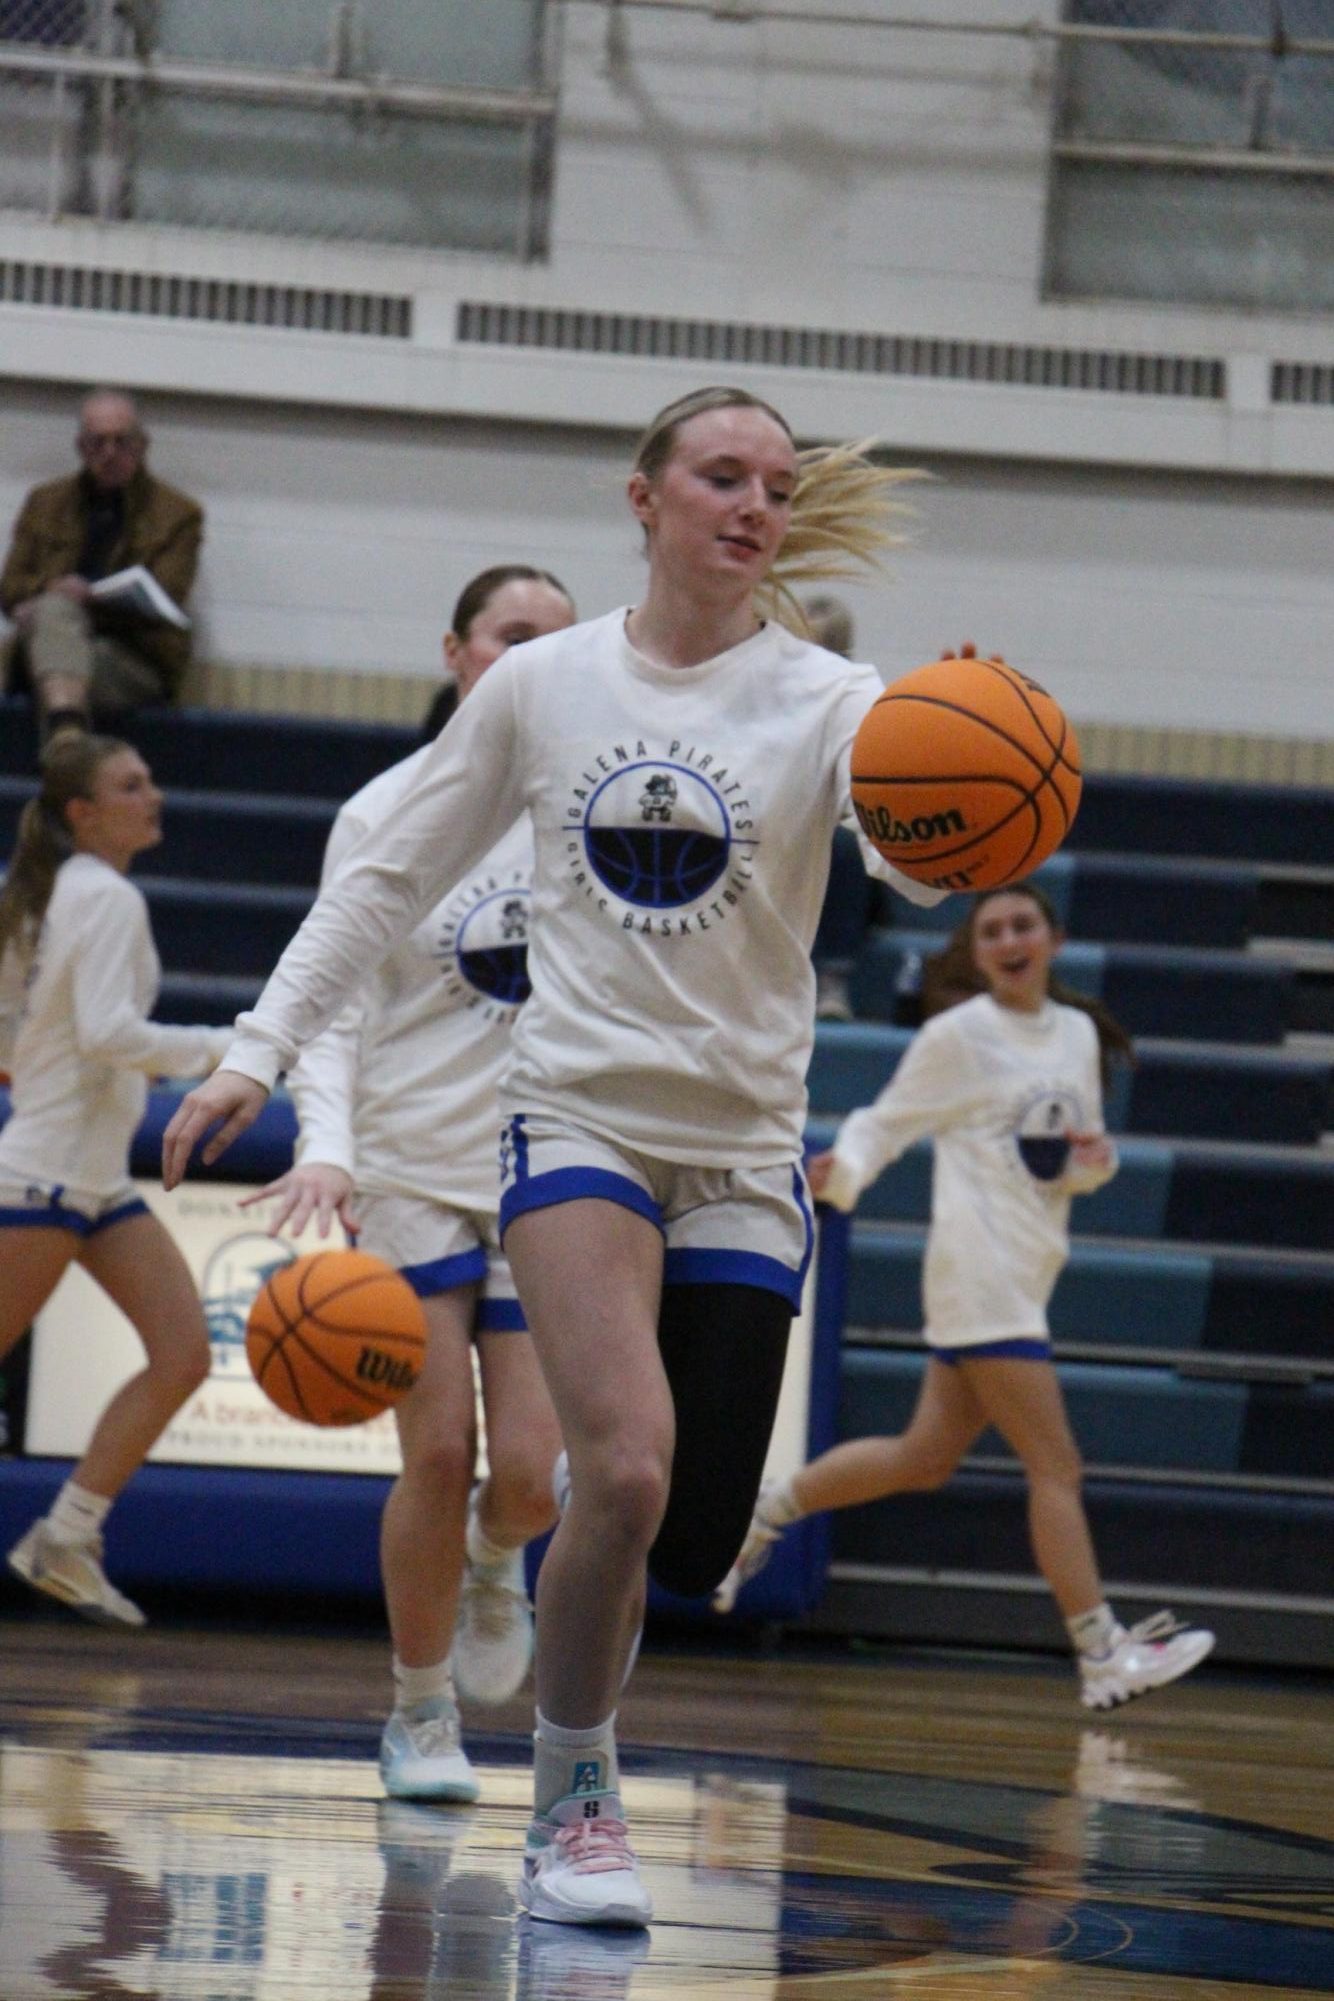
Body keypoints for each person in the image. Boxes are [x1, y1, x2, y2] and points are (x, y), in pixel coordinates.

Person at [160, 384, 940, 1929]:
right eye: (721, 475)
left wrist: (962, 783)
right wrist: (256, 1047)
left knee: (684, 1525)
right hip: (574, 1119)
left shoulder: (836, 696)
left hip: (741, 1144)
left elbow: (910, 867)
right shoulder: (541, 688)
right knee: (629, 1460)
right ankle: (574, 1796)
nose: (754, 505)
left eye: (777, 487)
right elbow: (381, 881)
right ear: (640, 496)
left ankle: (565, 1578)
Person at [713, 880, 1216, 1712]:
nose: (1010, 938)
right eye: (992, 929)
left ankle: (767, 1510)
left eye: (1023, 924)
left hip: (1028, 1268)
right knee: (1056, 1464)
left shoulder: (1079, 1034)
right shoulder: (958, 1036)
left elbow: (1071, 1165)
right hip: (978, 1275)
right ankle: (1101, 1650)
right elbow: (888, 1118)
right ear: (976, 952)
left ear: (1051, 940)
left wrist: (1099, 1159)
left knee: (923, 1457)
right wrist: (844, 1176)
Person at [251, 564, 575, 1805]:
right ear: (456, 652)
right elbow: (328, 1002)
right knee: (434, 1454)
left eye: (557, 640)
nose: (533, 658)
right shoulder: (387, 808)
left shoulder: (586, 805)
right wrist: (323, 1143)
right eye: (510, 636)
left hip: (548, 1166)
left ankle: (498, 1559)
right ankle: (419, 1711)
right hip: (409, 1168)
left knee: (530, 1475)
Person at [0, 733, 230, 1625]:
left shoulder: (52, 894)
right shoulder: (103, 896)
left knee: (184, 1354)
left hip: (93, 1184)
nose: (154, 795)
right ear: (82, 814)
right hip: (46, 1182)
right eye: (131, 786)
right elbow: (106, 1030)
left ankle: (66, 1535)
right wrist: (224, 1048)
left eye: (151, 779)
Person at [0, 389, 203, 740]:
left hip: (132, 657)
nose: (109, 454)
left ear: (142, 445)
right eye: (97, 443)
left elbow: (166, 597)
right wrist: (53, 592)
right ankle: (68, 737)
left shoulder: (178, 514)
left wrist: (83, 601)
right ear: (81, 447)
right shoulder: (45, 502)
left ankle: (65, 739)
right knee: (56, 609)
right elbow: (9, 588)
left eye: (121, 442)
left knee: (57, 615)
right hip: (53, 643)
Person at [804, 593, 886, 1024]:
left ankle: (833, 975)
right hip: (784, 842)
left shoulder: (860, 703)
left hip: (840, 849)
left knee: (844, 845)